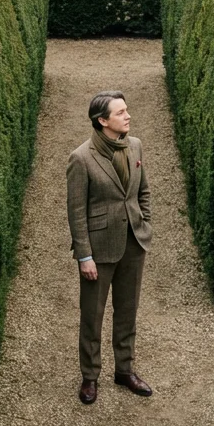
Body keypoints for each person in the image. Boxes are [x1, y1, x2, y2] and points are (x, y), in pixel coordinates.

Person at [66, 90, 154, 405]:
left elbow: (143, 191)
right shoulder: (81, 158)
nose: (128, 116)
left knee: (128, 311)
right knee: (93, 315)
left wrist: (144, 224)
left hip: (133, 243)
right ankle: (90, 376)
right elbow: (76, 212)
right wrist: (85, 256)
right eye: (120, 112)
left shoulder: (135, 146)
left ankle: (124, 370)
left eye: (126, 110)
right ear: (103, 121)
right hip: (99, 250)